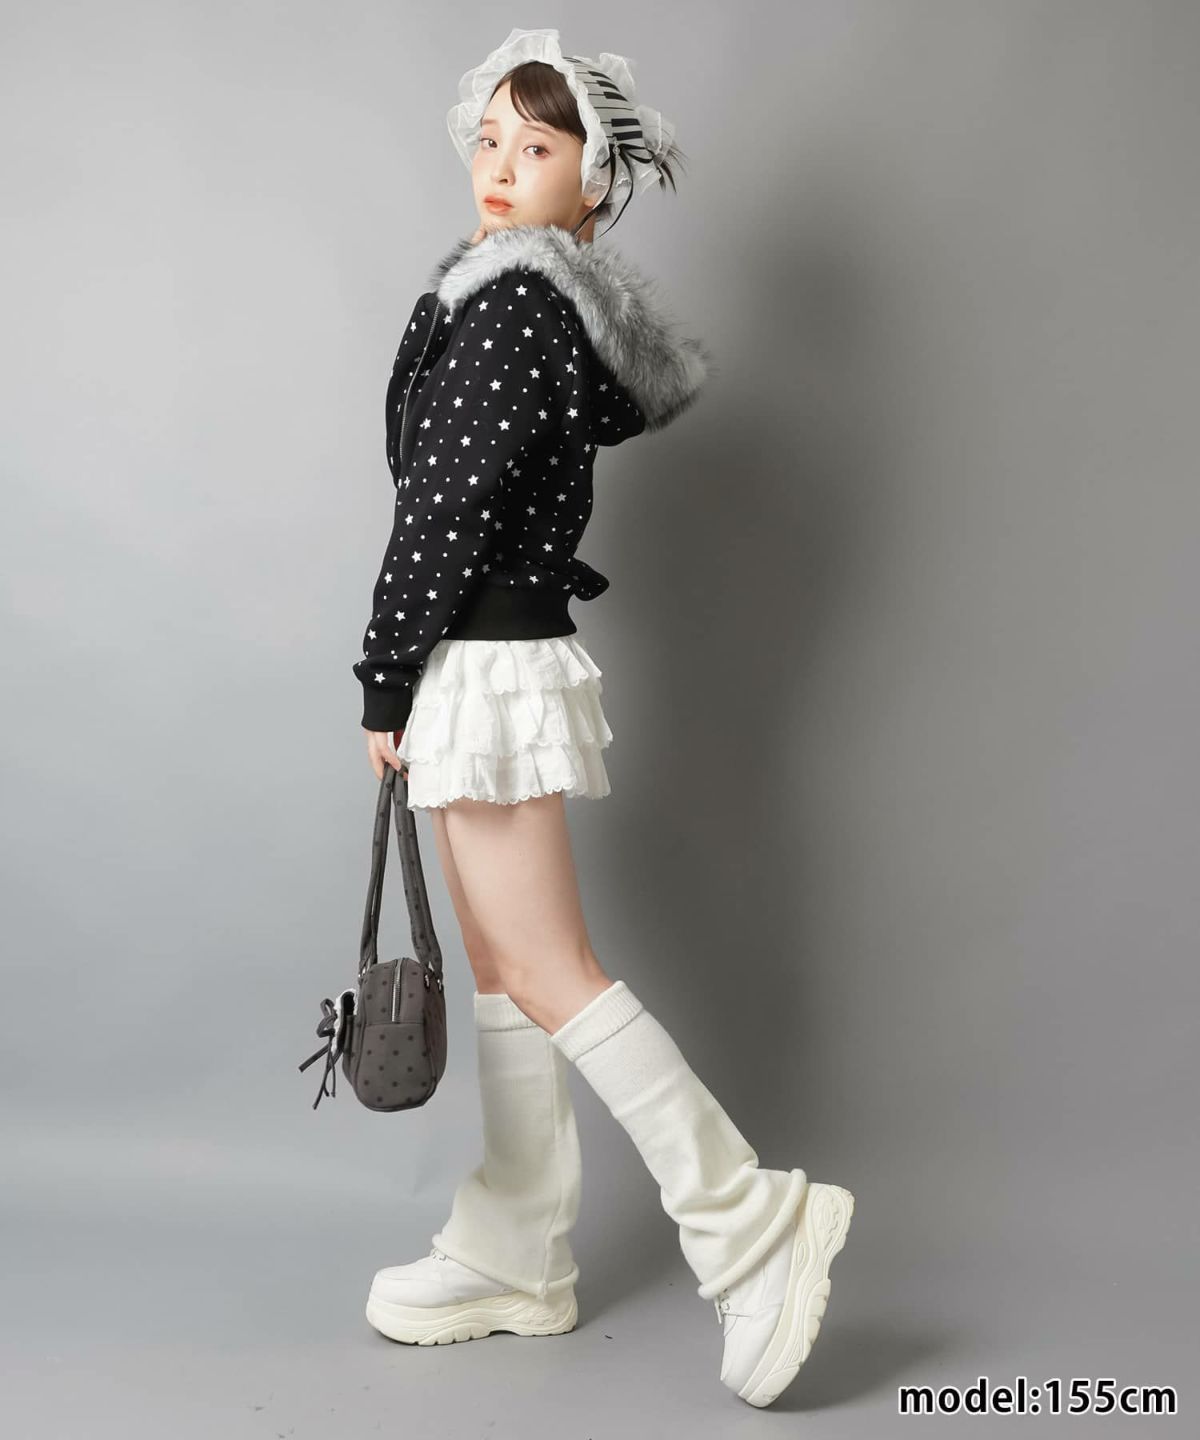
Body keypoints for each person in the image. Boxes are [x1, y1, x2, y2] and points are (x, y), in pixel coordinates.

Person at [353, 28, 855, 1409]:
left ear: (597, 183)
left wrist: (385, 674)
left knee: (545, 963)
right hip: (483, 657)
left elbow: (444, 505)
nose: (501, 166)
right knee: (506, 970)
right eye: (490, 140)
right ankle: (517, 1245)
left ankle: (749, 1218)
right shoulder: (519, 295)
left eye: (539, 146)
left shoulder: (513, 303)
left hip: (481, 659)